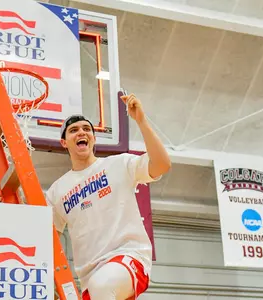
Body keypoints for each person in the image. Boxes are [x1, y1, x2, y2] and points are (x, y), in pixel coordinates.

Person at [45, 93, 171, 300]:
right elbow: (50, 238)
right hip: (89, 282)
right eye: (73, 130)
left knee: (102, 285)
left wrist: (141, 121)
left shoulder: (118, 164)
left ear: (93, 138)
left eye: (87, 129)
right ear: (64, 142)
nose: (81, 132)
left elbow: (162, 164)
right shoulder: (57, 191)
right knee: (99, 287)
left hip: (128, 258)